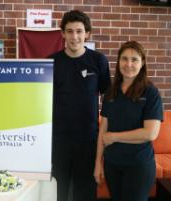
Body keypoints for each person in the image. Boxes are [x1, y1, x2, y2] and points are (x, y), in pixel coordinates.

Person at [49, 10, 110, 201]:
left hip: (88, 140)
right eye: (69, 31)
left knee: (85, 192)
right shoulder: (51, 62)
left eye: (79, 31)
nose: (74, 37)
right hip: (58, 140)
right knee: (59, 191)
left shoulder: (98, 61)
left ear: (87, 33)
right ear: (62, 34)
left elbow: (107, 96)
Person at [94, 41, 163, 201]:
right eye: (124, 59)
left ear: (142, 62)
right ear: (118, 62)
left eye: (134, 59)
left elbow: (150, 133)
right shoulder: (111, 91)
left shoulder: (150, 93)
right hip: (112, 164)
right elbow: (103, 130)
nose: (129, 64)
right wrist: (98, 163)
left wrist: (115, 137)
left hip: (138, 166)